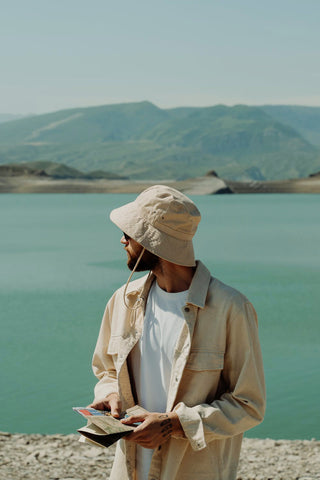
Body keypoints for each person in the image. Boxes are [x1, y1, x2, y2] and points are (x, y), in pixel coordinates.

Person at [89, 185, 265, 480]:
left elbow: (249, 405)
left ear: (152, 241)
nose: (122, 240)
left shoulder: (230, 309)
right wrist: (109, 395)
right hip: (128, 470)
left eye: (129, 234)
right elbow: (106, 369)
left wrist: (173, 423)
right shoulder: (124, 301)